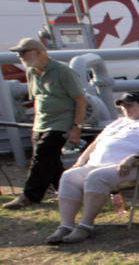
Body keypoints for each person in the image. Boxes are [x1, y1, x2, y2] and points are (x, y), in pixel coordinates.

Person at [44, 92, 139, 244]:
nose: (126, 109)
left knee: (96, 177)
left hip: (133, 166)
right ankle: (66, 225)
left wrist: (130, 159)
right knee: (69, 176)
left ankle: (85, 226)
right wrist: (81, 160)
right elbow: (96, 143)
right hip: (97, 164)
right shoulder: (116, 123)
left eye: (129, 105)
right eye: (123, 107)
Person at [4, 37, 86, 210]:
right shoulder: (31, 72)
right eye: (19, 54)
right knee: (51, 161)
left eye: (24, 52)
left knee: (42, 156)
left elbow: (80, 100)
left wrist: (76, 127)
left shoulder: (62, 71)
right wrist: (35, 126)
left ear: (39, 52)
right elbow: (38, 100)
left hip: (61, 122)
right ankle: (68, 192)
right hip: (41, 123)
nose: (21, 57)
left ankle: (30, 195)